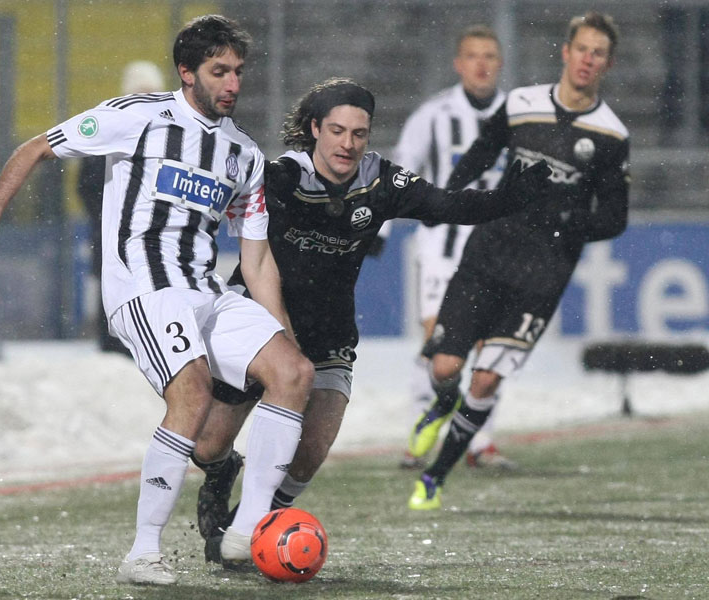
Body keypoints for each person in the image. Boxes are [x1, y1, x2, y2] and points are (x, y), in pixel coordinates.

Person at [0, 14, 316, 586]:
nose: (233, 84)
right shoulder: (138, 118)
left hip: (203, 291)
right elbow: (33, 149)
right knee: (191, 392)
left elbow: (256, 259)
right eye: (220, 71)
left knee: (293, 372)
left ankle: (247, 530)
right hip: (142, 289)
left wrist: (281, 332)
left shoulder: (243, 154)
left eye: (238, 72)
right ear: (186, 72)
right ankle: (143, 551)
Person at [188, 77, 552, 564]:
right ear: (314, 129)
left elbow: (448, 205)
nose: (348, 144)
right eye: (337, 131)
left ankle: (254, 526)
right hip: (257, 320)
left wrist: (512, 196)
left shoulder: (381, 182)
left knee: (310, 451)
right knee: (207, 444)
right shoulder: (279, 177)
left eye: (359, 134)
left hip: (329, 333)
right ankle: (220, 470)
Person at [408, 11, 629, 510]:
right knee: (445, 365)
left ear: (607, 64)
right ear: (566, 53)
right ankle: (442, 404)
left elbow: (615, 218)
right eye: (582, 49)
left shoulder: (612, 135)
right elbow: (481, 155)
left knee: (486, 378)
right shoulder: (522, 103)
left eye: (599, 53)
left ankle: (435, 477)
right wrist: (447, 197)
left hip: (543, 274)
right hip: (488, 252)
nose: (588, 59)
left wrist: (570, 226)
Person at [393, 24, 515, 471]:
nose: (481, 64)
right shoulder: (435, 114)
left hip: (497, 248)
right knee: (440, 345)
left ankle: (479, 440)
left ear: (499, 64)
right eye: (473, 55)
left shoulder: (518, 114)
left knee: (487, 347)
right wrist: (381, 231)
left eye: (490, 56)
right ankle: (423, 424)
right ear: (458, 64)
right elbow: (403, 168)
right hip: (443, 246)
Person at [77, 60, 166, 354]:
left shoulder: (172, 134)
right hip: (113, 236)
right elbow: (87, 186)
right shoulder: (105, 131)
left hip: (156, 235)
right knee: (114, 290)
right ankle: (115, 347)